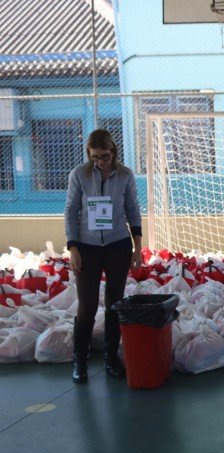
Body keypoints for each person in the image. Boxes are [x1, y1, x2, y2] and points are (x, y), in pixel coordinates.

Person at [64, 129, 143, 383]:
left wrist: (138, 247)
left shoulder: (126, 176)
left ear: (114, 153)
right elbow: (71, 211)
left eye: (105, 156)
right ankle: (80, 359)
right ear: (89, 154)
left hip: (118, 245)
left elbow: (132, 210)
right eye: (95, 157)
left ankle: (111, 357)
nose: (100, 161)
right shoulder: (79, 174)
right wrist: (73, 247)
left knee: (113, 303)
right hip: (87, 248)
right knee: (86, 306)